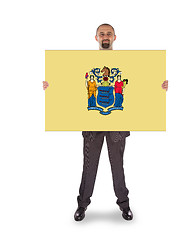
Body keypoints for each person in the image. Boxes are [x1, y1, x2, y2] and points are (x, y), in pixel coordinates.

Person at [43, 23, 168, 222]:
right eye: (102, 34)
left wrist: (158, 86)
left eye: (108, 33)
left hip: (118, 124)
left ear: (115, 37)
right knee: (89, 166)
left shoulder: (129, 63)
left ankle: (124, 204)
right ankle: (82, 205)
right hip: (92, 124)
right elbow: (70, 86)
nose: (105, 36)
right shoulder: (82, 63)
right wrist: (52, 85)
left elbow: (140, 86)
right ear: (96, 38)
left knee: (117, 166)